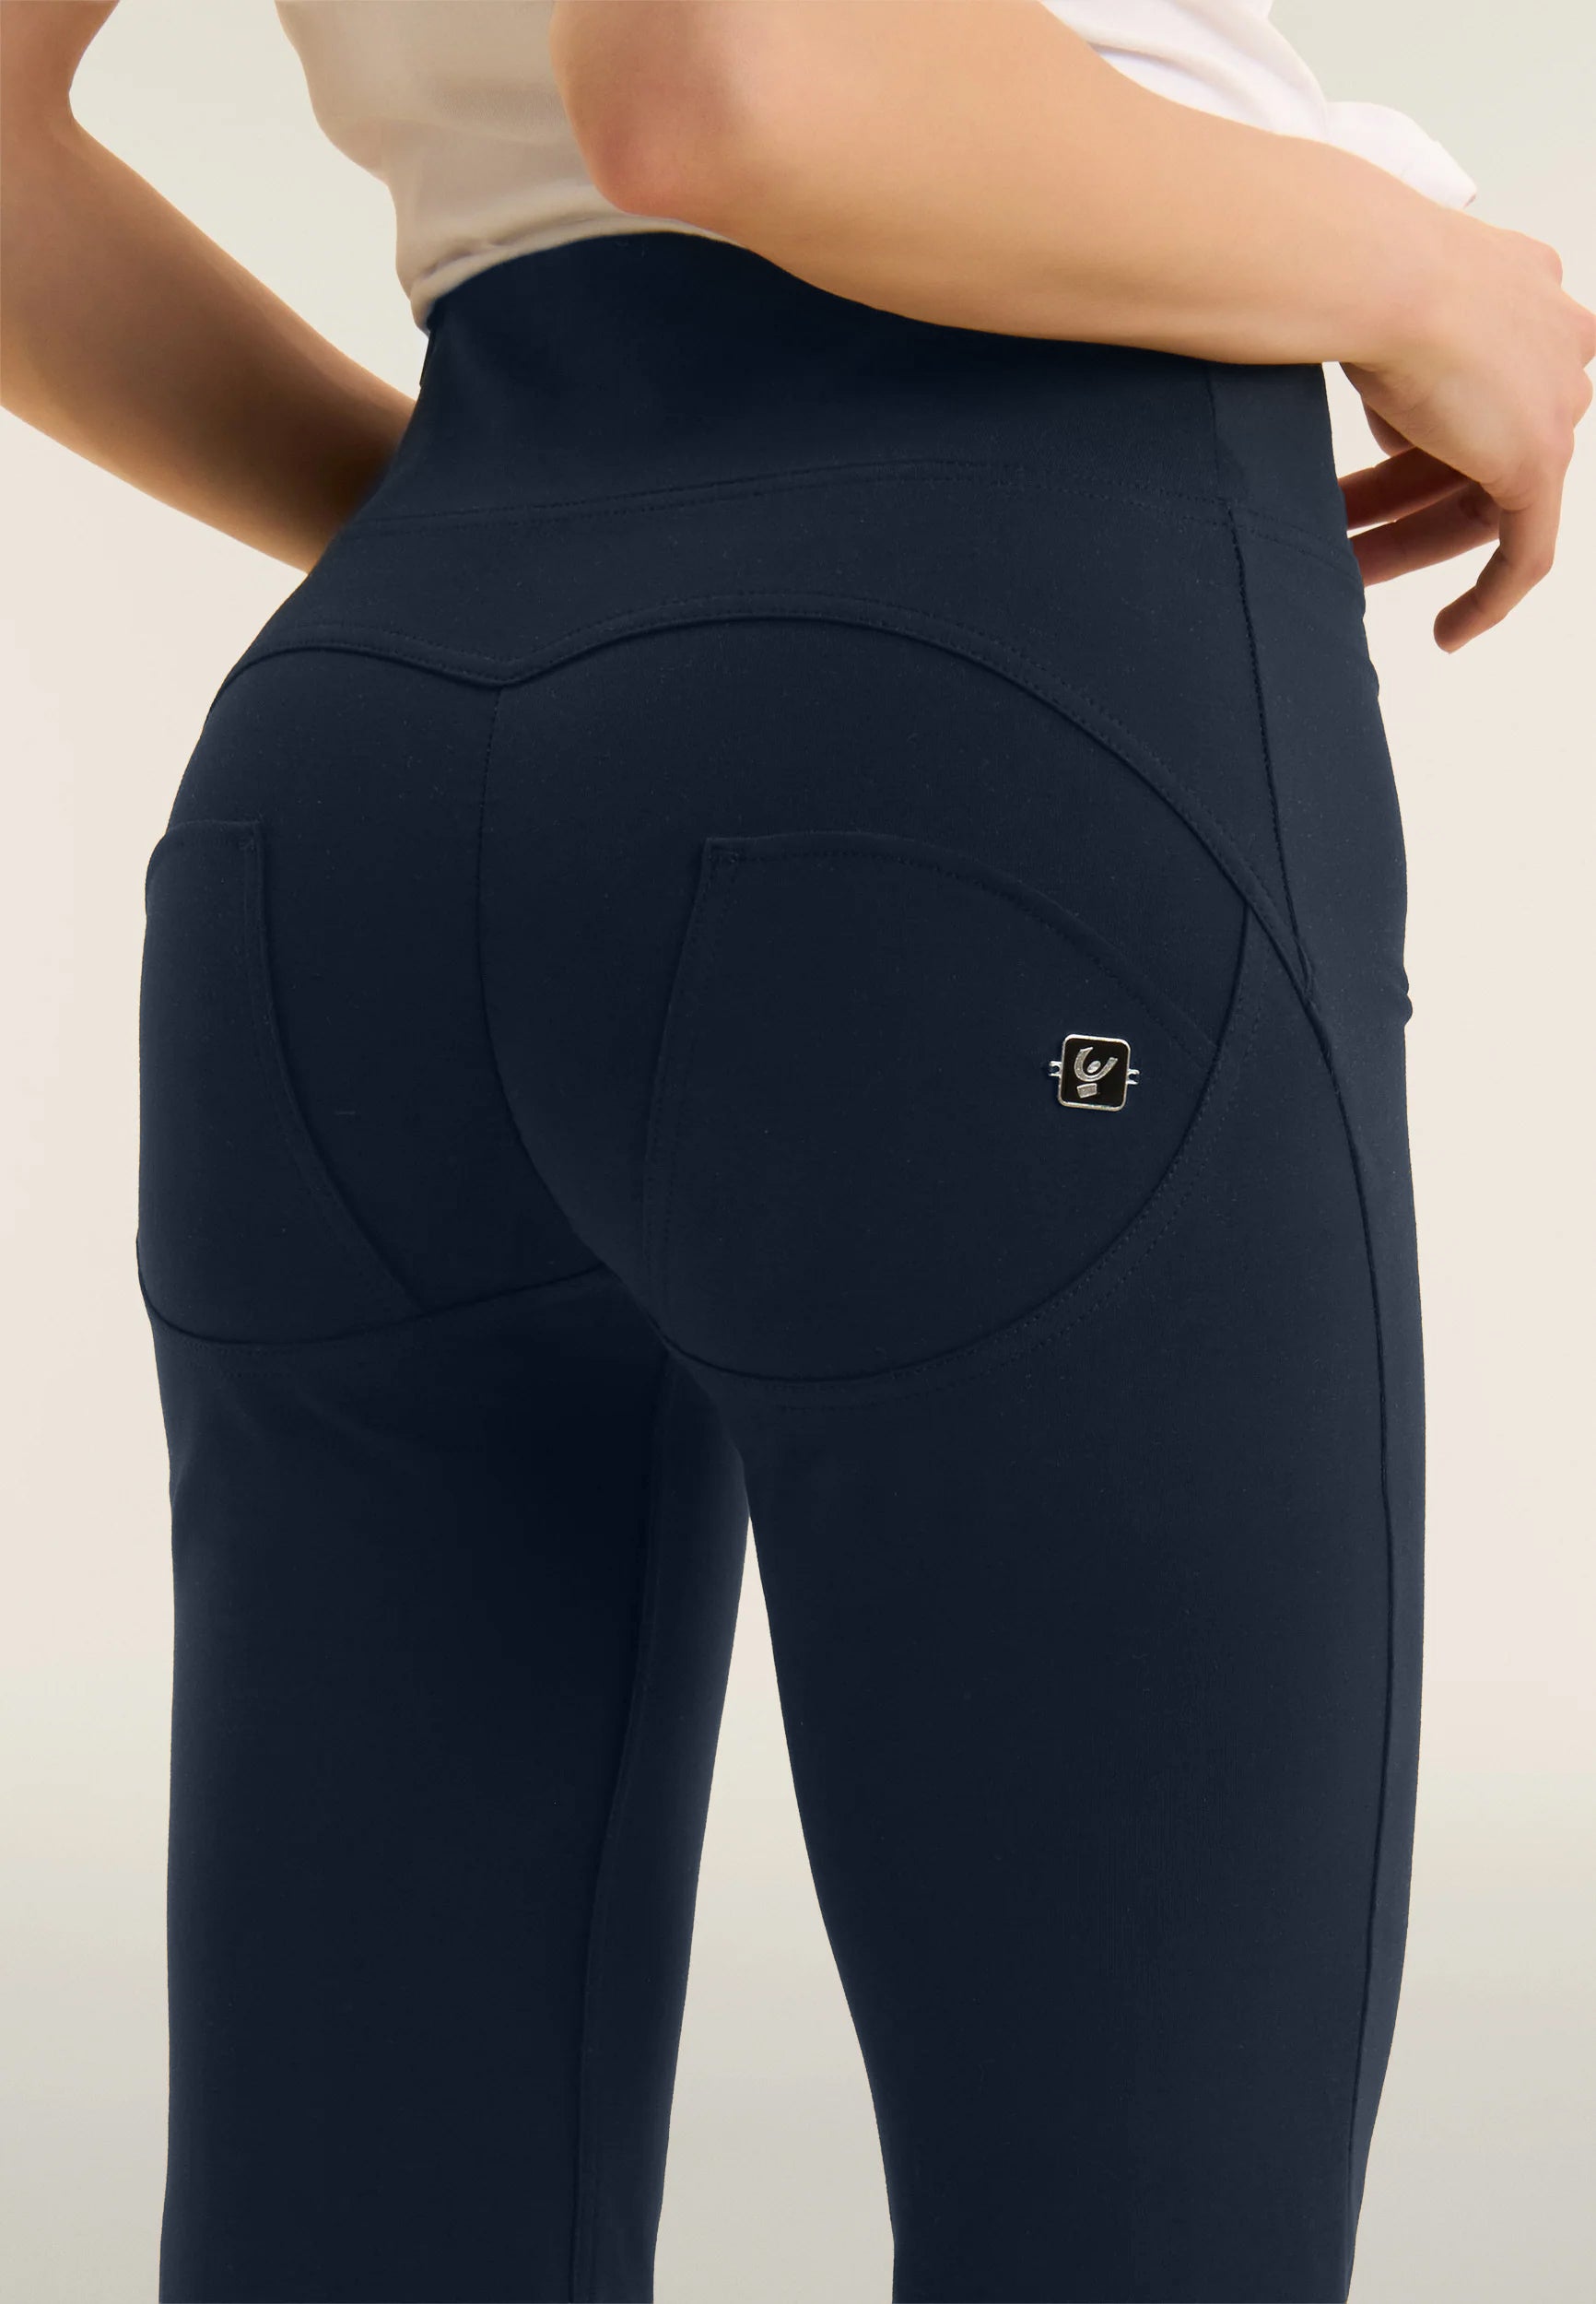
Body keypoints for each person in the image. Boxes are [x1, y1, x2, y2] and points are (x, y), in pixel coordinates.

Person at [5, 6, 1592, 2301]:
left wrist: (510, 566)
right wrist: (1431, 279)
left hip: (374, 746)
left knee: (361, 2196)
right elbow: (730, 82)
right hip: (1008, 685)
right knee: (1138, 2209)